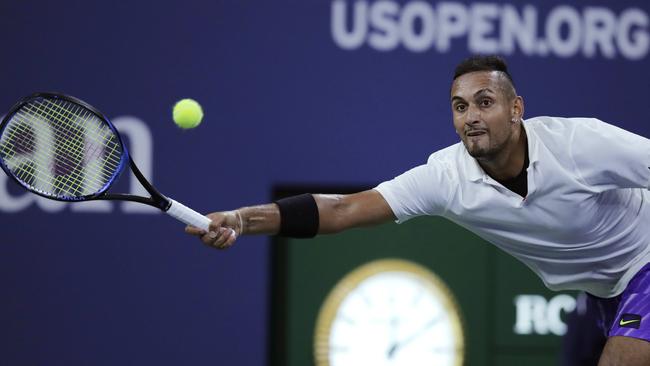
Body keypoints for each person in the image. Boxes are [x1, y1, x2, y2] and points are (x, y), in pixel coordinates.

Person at [185, 55, 650, 365]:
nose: (471, 117)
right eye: (460, 106)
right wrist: (245, 220)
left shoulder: (581, 144)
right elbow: (344, 209)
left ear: (516, 109)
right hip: (600, 291)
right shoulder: (446, 178)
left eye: (485, 103)